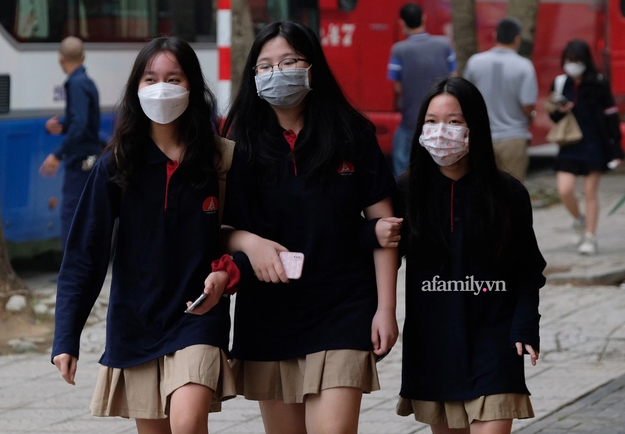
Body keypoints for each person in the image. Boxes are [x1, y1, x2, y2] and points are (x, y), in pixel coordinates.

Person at [51, 36, 238, 434]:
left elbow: (244, 232)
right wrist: (65, 337)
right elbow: (85, 253)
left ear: (193, 87)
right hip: (135, 323)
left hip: (197, 316)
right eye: (150, 78)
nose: (162, 88)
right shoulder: (116, 164)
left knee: (187, 423)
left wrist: (228, 271)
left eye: (174, 78)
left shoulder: (220, 158)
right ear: (136, 89)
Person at [221, 21, 400, 434]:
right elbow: (215, 226)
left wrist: (386, 310)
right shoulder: (237, 142)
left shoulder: (351, 133)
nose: (276, 72)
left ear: (311, 67)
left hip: (342, 306)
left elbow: (385, 227)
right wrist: (250, 242)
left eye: (288, 61)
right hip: (268, 312)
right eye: (264, 66)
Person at [395, 77, 546, 433]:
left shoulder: (508, 193)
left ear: (473, 126)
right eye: (431, 122)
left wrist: (526, 325)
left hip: (495, 342)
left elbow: (528, 270)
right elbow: (378, 259)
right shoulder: (405, 191)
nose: (440, 131)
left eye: (454, 121)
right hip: (433, 343)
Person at [547, 39, 623, 255]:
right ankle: (578, 220)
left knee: (590, 192)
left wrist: (616, 149)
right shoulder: (560, 83)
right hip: (570, 143)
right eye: (569, 60)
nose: (572, 64)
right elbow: (553, 115)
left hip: (595, 144)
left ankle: (590, 236)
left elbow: (610, 115)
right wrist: (561, 110)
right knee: (565, 190)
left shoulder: (598, 82)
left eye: (576, 60)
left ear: (586, 61)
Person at [39, 36, 102, 250]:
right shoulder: (87, 82)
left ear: (60, 58)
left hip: (80, 161)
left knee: (71, 213)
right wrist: (61, 126)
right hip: (90, 157)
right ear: (83, 57)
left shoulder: (75, 84)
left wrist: (57, 154)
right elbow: (83, 122)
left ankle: (70, 268)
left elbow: (81, 124)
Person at [464, 17, 538, 183]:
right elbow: (527, 105)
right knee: (513, 192)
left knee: (482, 189)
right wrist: (531, 116)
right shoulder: (524, 66)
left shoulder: (475, 62)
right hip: (513, 137)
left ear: (495, 35)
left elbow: (465, 96)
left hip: (480, 136)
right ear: (517, 39)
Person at [387, 2, 456, 176]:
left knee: (402, 160)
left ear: (402, 23)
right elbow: (454, 77)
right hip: (442, 119)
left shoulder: (398, 50)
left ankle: (405, 198)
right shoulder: (444, 44)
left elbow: (397, 86)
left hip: (411, 120)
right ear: (424, 18)